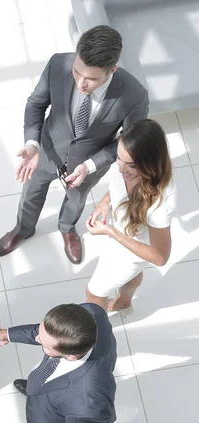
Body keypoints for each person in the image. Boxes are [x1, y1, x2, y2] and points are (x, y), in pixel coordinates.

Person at [0, 25, 149, 264]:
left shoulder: (134, 95)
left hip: (89, 164)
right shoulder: (58, 64)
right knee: (31, 192)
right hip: (46, 150)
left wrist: (90, 165)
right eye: (77, 73)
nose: (81, 83)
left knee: (76, 200)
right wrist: (32, 143)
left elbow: (129, 143)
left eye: (91, 78)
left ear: (112, 70)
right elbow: (36, 104)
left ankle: (67, 228)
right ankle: (23, 228)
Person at [0, 303, 117, 423]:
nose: (38, 339)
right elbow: (48, 333)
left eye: (44, 346)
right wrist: (7, 335)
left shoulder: (87, 403)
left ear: (71, 356)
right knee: (40, 389)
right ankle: (41, 389)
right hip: (53, 388)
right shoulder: (92, 313)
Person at [85, 119, 176, 311]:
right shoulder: (128, 169)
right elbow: (118, 186)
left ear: (149, 163)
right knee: (132, 275)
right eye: (119, 158)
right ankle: (124, 302)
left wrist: (111, 232)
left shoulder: (159, 203)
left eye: (131, 165)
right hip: (122, 237)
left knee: (94, 293)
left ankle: (95, 335)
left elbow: (160, 258)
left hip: (128, 251)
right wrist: (105, 202)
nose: (121, 169)